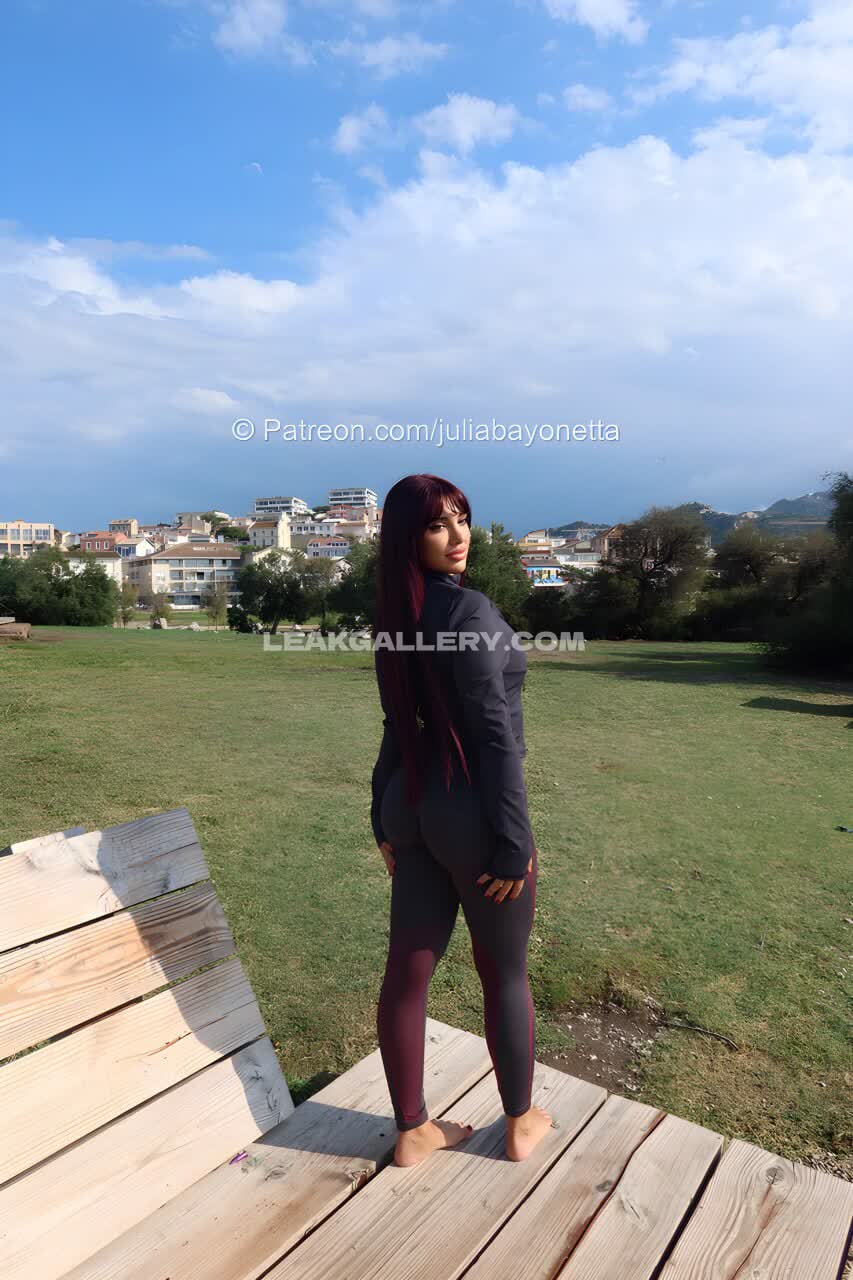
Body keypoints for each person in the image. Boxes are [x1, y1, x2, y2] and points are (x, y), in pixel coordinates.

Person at [370, 473, 553, 1167]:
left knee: (407, 970)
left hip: (411, 805)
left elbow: (396, 726)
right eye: (436, 524)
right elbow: (493, 737)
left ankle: (412, 1130)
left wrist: (380, 815)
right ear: (407, 538)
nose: (457, 536)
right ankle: (520, 1121)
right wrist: (513, 840)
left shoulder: (396, 615)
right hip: (469, 812)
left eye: (461, 518)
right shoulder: (468, 613)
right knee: (504, 971)